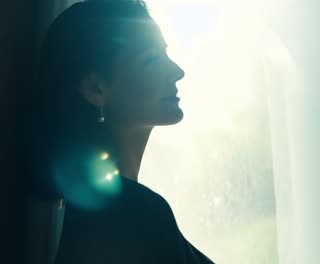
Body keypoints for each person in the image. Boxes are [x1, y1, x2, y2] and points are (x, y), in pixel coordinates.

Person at [25, 0, 214, 263]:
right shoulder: (131, 213)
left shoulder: (104, 212)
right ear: (96, 89)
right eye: (151, 59)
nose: (177, 71)